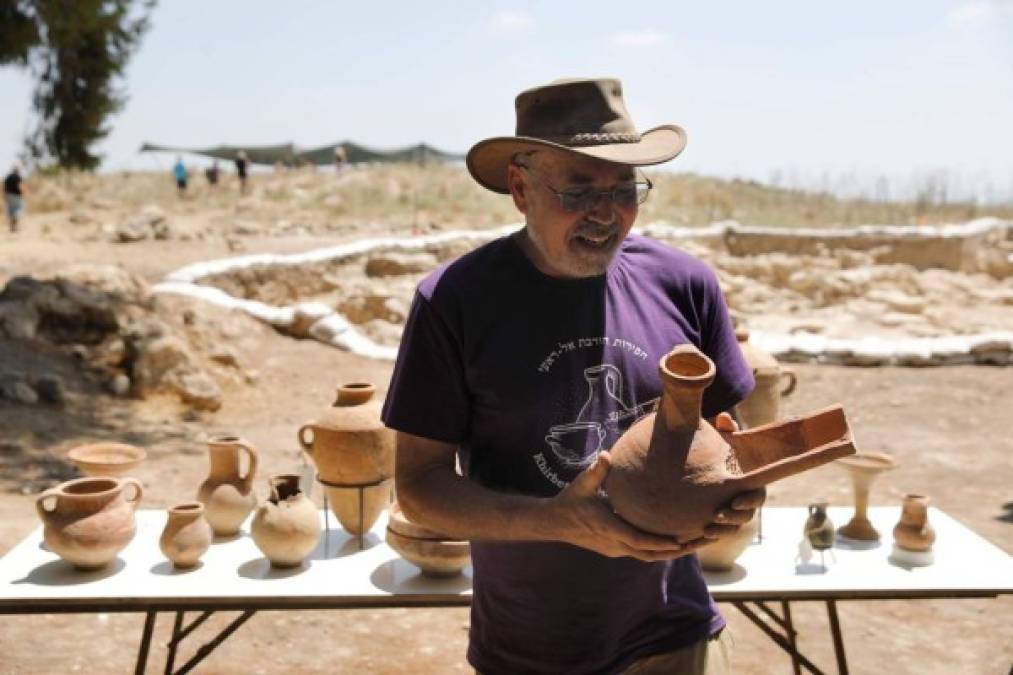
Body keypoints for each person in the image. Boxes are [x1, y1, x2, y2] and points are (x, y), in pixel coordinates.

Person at [382, 77, 763, 674]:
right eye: (578, 190)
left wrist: (737, 491)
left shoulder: (684, 284)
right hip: (532, 649)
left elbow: (728, 442)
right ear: (519, 189)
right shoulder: (455, 301)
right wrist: (555, 521)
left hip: (677, 637)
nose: (605, 213)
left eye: (624, 188)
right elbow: (421, 488)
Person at [4, 164, 24, 233]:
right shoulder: (18, 177)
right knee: (17, 211)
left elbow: (4, 187)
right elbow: (19, 186)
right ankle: (15, 227)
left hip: (9, 195)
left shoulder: (8, 177)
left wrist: (5, 195)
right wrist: (23, 193)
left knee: (11, 211)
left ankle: (11, 227)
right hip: (16, 195)